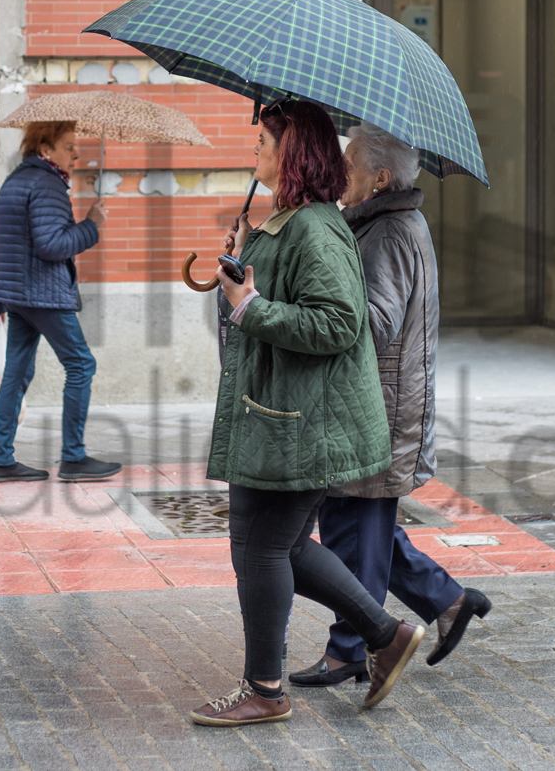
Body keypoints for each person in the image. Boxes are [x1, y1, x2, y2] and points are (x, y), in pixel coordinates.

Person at [190, 101, 425, 727]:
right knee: (280, 548)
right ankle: (385, 634)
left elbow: (340, 323)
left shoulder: (318, 228)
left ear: (294, 152)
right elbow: (262, 305)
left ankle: (266, 689)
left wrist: (250, 306)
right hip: (276, 415)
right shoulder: (288, 221)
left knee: (263, 550)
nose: (256, 153)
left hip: (303, 422)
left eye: (265, 141)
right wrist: (241, 266)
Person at [289, 122, 491, 689]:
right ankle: (449, 602)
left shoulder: (392, 232)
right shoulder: (381, 224)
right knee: (359, 528)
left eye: (349, 163)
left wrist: (320, 293)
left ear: (379, 177)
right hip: (373, 408)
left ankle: (353, 647)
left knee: (354, 531)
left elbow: (373, 324)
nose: (339, 172)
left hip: (379, 413)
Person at [0, 121, 122, 483]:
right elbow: (51, 245)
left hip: (16, 294)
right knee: (81, 365)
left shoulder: (14, 181)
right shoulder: (48, 185)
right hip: (43, 293)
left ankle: (0, 460)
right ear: (46, 150)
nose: (76, 153)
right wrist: (92, 224)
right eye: (68, 146)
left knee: (16, 372)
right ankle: (73, 457)